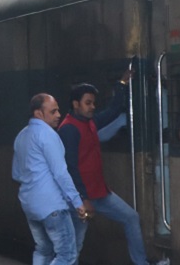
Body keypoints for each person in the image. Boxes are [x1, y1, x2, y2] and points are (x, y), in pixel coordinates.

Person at [59, 71, 162, 265]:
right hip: (81, 197)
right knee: (74, 244)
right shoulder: (69, 129)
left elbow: (113, 111)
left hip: (99, 192)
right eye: (88, 103)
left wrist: (122, 84)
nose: (92, 107)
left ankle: (141, 263)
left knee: (131, 218)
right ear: (75, 104)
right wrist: (82, 199)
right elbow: (70, 167)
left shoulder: (89, 122)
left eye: (93, 103)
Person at [13, 94, 87, 265]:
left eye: (58, 110)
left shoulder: (21, 136)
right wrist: (77, 202)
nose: (58, 115)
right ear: (38, 113)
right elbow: (60, 173)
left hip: (30, 205)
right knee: (67, 255)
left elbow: (17, 174)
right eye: (53, 112)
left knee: (43, 250)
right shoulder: (48, 135)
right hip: (52, 206)